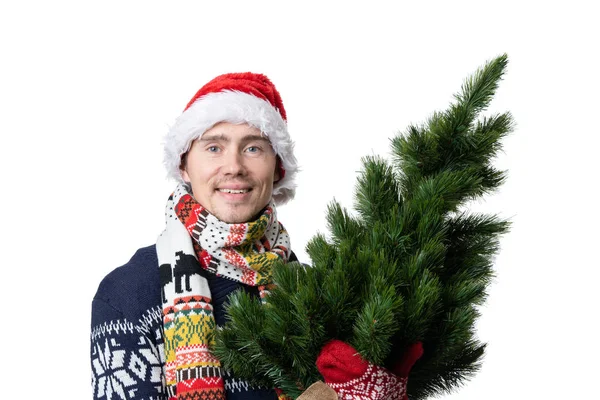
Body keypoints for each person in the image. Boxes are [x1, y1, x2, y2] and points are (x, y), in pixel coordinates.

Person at [90, 72, 302, 400]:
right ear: (184, 166)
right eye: (214, 147)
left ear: (277, 169)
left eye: (254, 148)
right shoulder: (130, 294)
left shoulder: (306, 285)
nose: (234, 166)